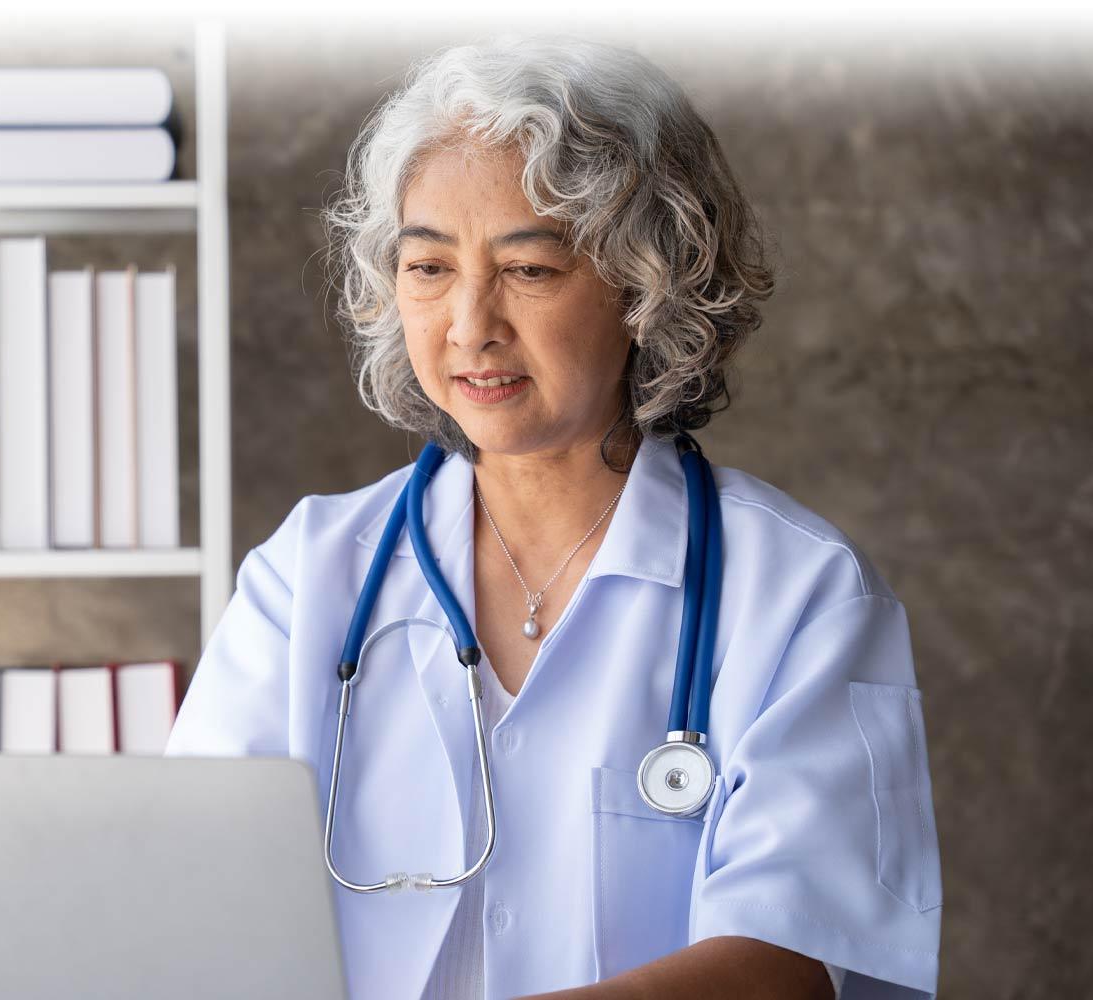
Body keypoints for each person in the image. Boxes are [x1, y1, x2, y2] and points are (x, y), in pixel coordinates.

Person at [166, 35, 942, 1000]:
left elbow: (793, 959)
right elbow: (191, 909)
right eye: (429, 267)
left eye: (530, 270)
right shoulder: (307, 575)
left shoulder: (800, 593)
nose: (469, 324)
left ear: (648, 282)